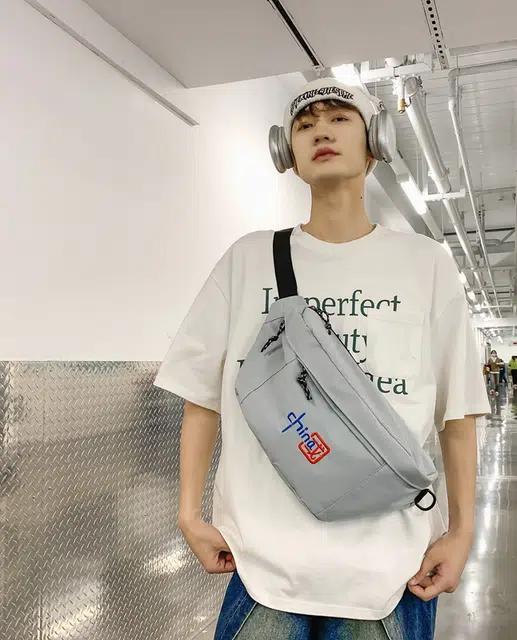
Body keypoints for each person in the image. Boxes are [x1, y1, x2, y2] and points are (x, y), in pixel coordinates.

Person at [153, 78, 490, 640]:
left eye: (339, 118)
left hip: (388, 573)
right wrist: (189, 513)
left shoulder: (425, 263)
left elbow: (457, 413)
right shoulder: (248, 260)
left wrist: (462, 531)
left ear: (375, 142)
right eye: (305, 125)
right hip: (263, 569)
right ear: (287, 152)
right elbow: (201, 394)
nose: (320, 132)